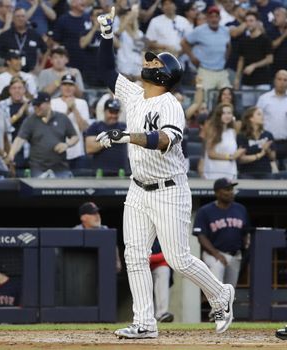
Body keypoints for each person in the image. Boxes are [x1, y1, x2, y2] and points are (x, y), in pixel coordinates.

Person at [95, 7, 235, 339]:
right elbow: (103, 71)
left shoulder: (169, 103)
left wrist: (127, 136)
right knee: (134, 255)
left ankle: (220, 294)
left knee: (178, 259)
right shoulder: (133, 94)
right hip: (138, 188)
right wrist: (105, 34)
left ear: (165, 74)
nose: (148, 63)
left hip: (169, 188)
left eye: (154, 62)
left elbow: (164, 140)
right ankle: (144, 322)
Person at [193, 178, 250, 289]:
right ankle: (215, 305)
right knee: (217, 289)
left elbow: (246, 232)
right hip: (213, 254)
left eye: (232, 189)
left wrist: (245, 250)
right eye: (227, 189)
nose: (231, 192)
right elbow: (201, 236)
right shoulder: (205, 211)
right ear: (217, 192)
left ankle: (225, 307)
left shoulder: (241, 209)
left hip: (235, 255)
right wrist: (216, 254)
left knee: (229, 291)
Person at [7, 92, 79, 178]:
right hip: (38, 168)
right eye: (34, 105)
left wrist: (67, 145)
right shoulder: (30, 120)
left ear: (48, 103)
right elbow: (20, 139)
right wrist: (11, 154)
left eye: (39, 105)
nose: (36, 108)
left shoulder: (62, 118)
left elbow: (75, 137)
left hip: (60, 168)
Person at [85, 98, 130, 177]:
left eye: (116, 112)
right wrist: (110, 139)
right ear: (105, 111)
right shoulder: (95, 127)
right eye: (111, 112)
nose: (113, 116)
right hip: (101, 172)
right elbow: (89, 149)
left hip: (122, 172)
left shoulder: (125, 127)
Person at [73, 201, 122, 273]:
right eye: (93, 213)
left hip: (101, 272)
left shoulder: (105, 230)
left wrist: (117, 261)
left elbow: (113, 246)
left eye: (97, 212)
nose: (97, 215)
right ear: (83, 217)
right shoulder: (75, 232)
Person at [202, 103, 245, 180]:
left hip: (230, 171)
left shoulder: (232, 131)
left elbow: (239, 124)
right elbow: (211, 154)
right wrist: (231, 157)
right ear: (218, 115)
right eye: (223, 113)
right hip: (214, 172)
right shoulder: (213, 130)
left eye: (229, 113)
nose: (227, 116)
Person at [256, 70, 287, 171]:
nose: (282, 82)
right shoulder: (264, 99)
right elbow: (256, 119)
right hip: (269, 143)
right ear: (274, 80)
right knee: (271, 176)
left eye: (285, 80)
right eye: (279, 79)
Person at [236, 106, 277, 179]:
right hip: (247, 173)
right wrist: (259, 155)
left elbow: (273, 157)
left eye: (262, 114)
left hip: (265, 172)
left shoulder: (268, 134)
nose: (262, 117)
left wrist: (267, 150)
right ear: (251, 118)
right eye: (259, 114)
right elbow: (241, 159)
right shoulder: (242, 136)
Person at [150, 238, 174, 323]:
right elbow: (139, 257)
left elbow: (171, 254)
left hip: (158, 267)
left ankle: (162, 314)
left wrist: (151, 258)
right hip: (141, 269)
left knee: (164, 270)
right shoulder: (140, 233)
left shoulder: (164, 234)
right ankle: (143, 317)